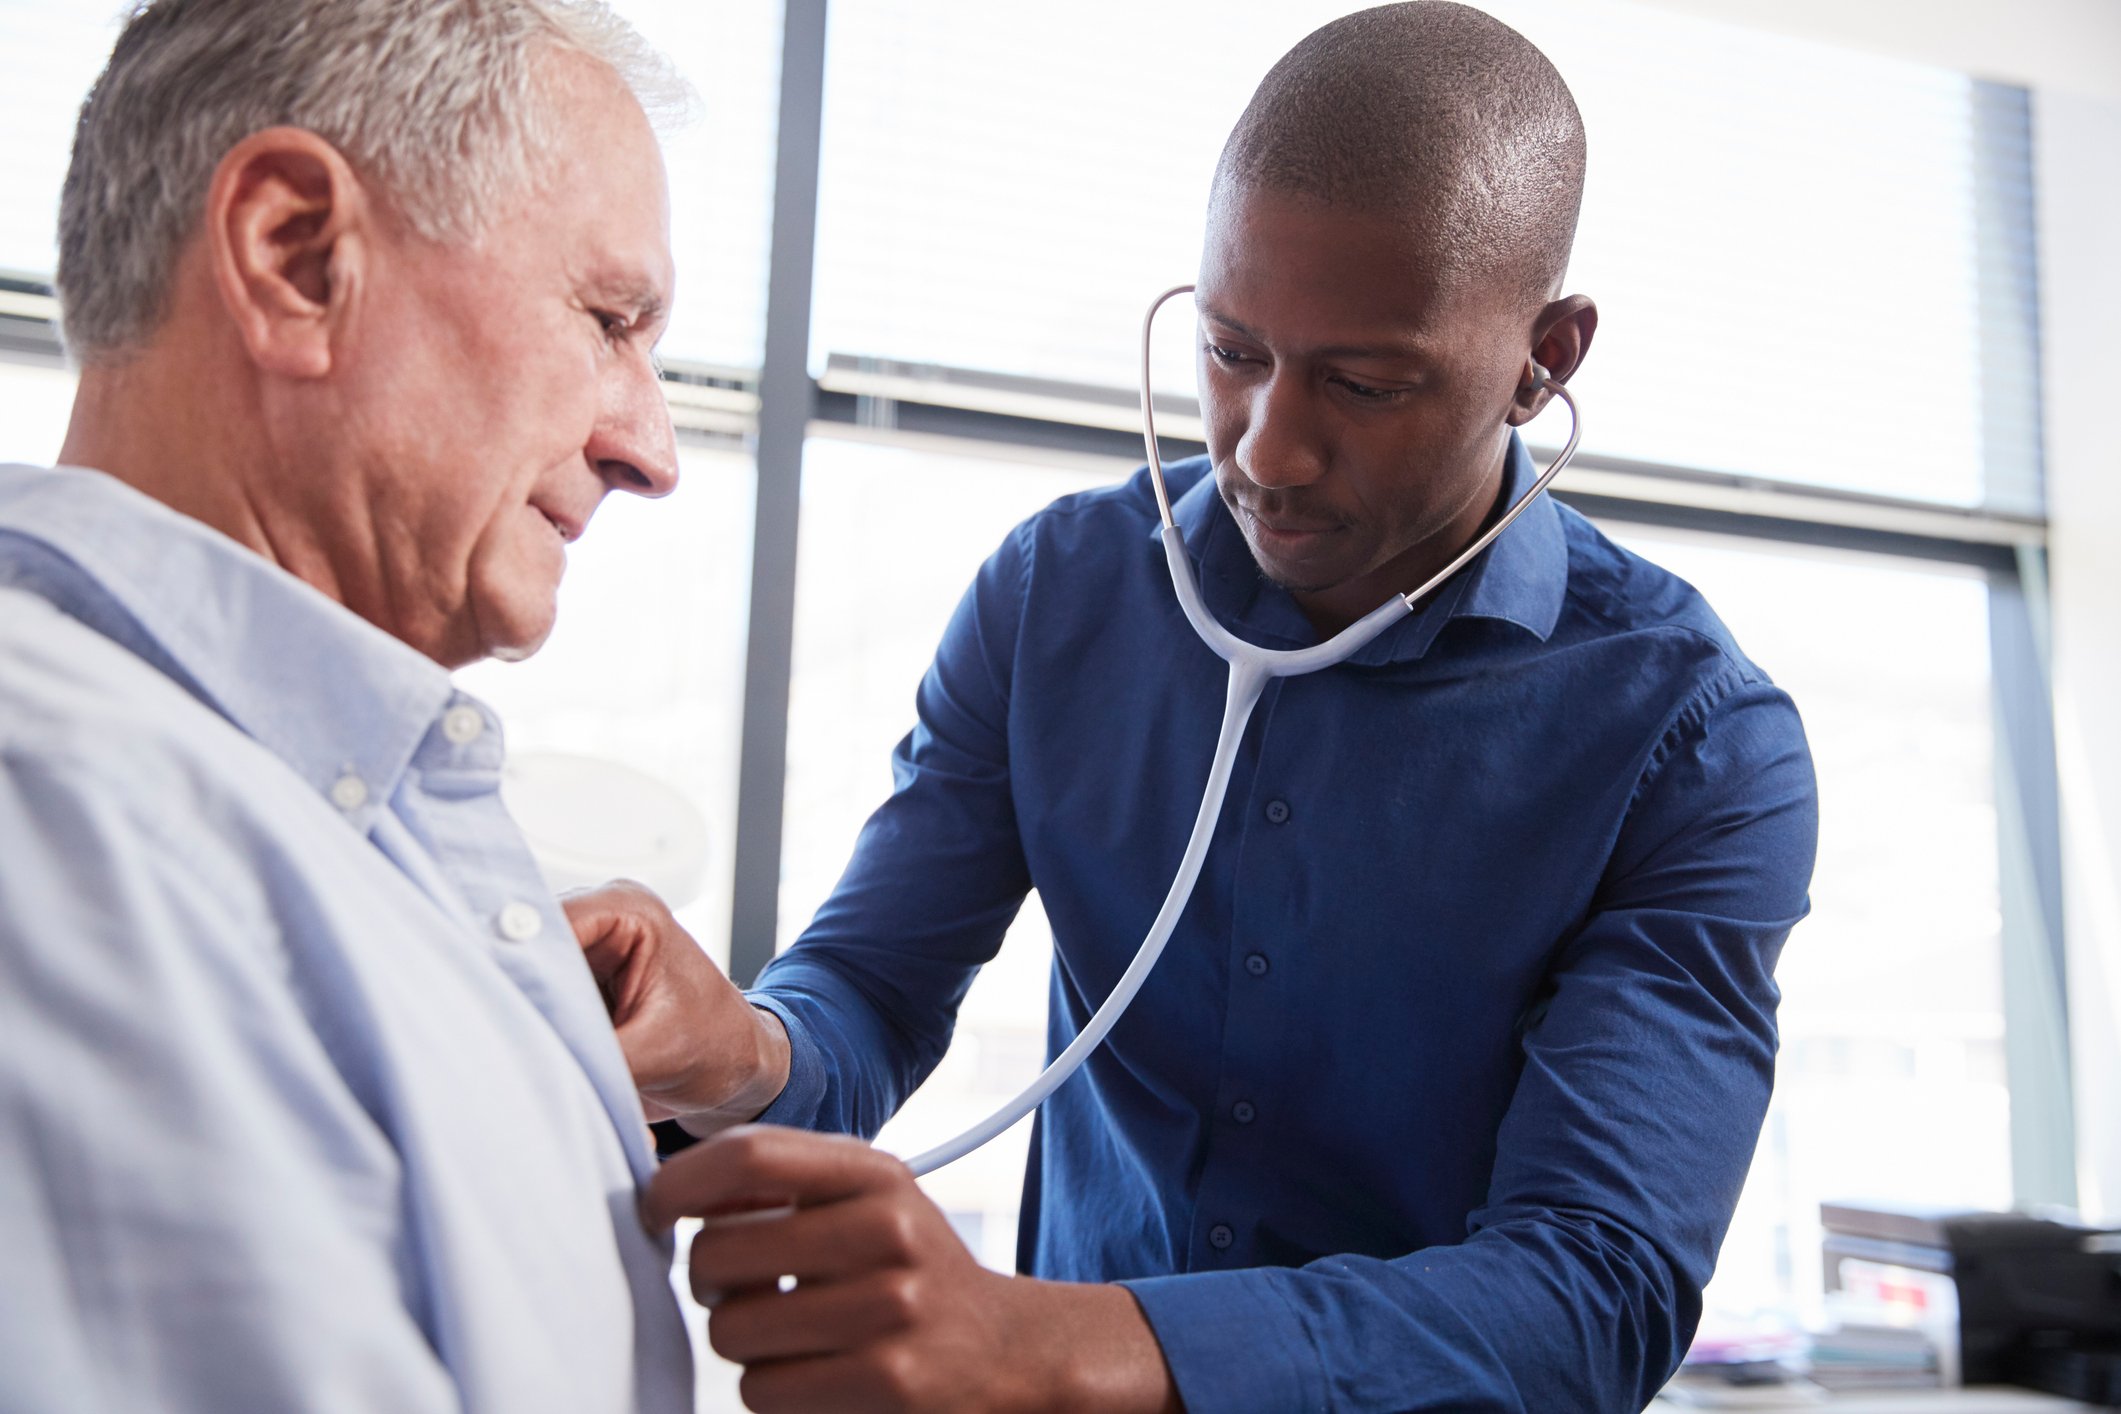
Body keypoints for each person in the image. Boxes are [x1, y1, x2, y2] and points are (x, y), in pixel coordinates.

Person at [573, 4, 1820, 1410]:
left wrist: (1050, 1341)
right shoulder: (1060, 594)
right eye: (1232, 351)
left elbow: (1594, 1288)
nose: (1268, 447)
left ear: (1547, 355)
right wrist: (730, 1043)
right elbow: (863, 1000)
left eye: (1364, 380)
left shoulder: (1695, 742)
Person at [0, 2, 696, 1409]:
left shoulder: (314, 813)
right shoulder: (61, 820)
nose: (650, 448)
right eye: (608, 320)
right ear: (294, 258)